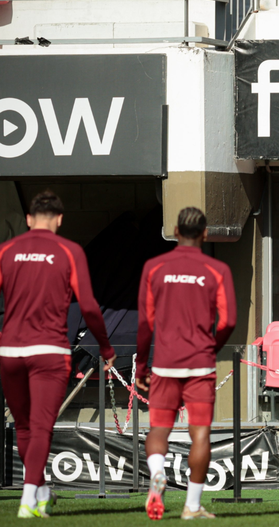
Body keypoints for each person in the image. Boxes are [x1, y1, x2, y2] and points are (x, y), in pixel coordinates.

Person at [0, 191, 115, 519]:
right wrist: (105, 348)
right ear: (61, 219)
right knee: (40, 427)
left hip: (10, 351)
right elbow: (90, 306)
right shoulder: (69, 250)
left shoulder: (6, 250)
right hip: (49, 351)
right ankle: (27, 500)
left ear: (28, 220)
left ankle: (40, 491)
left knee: (23, 427)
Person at [135, 207, 237, 521]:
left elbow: (145, 323)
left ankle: (157, 473)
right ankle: (192, 506)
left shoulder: (154, 267)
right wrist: (211, 347)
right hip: (200, 365)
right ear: (205, 234)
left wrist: (141, 365)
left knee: (158, 429)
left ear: (176, 232)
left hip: (165, 364)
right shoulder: (217, 269)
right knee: (201, 434)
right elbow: (229, 320)